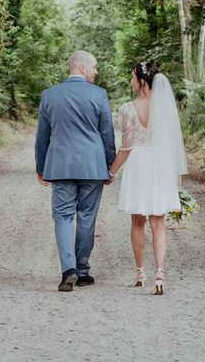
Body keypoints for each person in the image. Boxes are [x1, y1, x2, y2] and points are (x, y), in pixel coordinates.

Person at [35, 50, 116, 292]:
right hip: (92, 166)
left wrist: (40, 167)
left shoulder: (49, 96)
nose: (96, 72)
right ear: (82, 68)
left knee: (62, 216)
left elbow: (43, 136)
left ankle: (68, 269)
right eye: (94, 67)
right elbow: (107, 135)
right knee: (87, 216)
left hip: (60, 165)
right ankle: (82, 272)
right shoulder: (99, 95)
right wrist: (110, 166)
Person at [107, 61, 188, 295]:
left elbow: (126, 147)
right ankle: (160, 273)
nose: (131, 82)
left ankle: (140, 271)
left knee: (137, 222)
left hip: (140, 166)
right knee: (158, 223)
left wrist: (112, 172)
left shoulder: (129, 109)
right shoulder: (166, 109)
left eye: (133, 78)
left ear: (142, 82)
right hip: (161, 165)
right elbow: (172, 144)